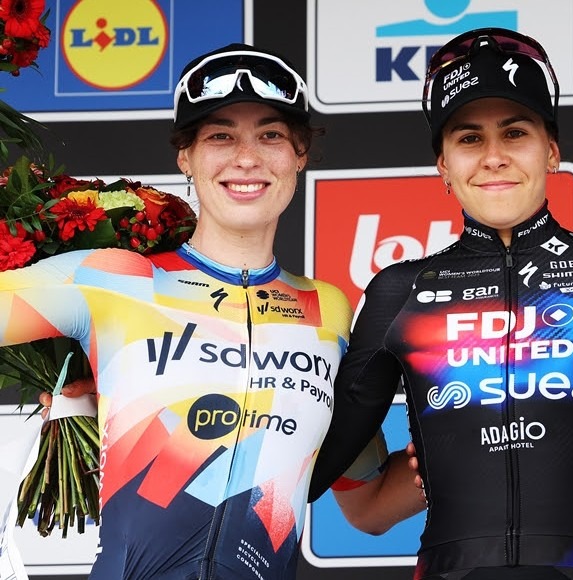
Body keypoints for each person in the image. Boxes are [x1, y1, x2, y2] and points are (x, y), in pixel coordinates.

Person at [1, 43, 421, 580]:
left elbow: (369, 508)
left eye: (270, 135)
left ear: (300, 154)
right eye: (221, 136)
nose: (246, 158)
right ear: (186, 156)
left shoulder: (327, 311)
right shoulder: (113, 280)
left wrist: (475, 443)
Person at [309, 27, 573, 580]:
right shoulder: (399, 290)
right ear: (442, 164)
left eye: (515, 133)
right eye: (468, 138)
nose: (493, 158)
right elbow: (316, 457)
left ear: (551, 151)